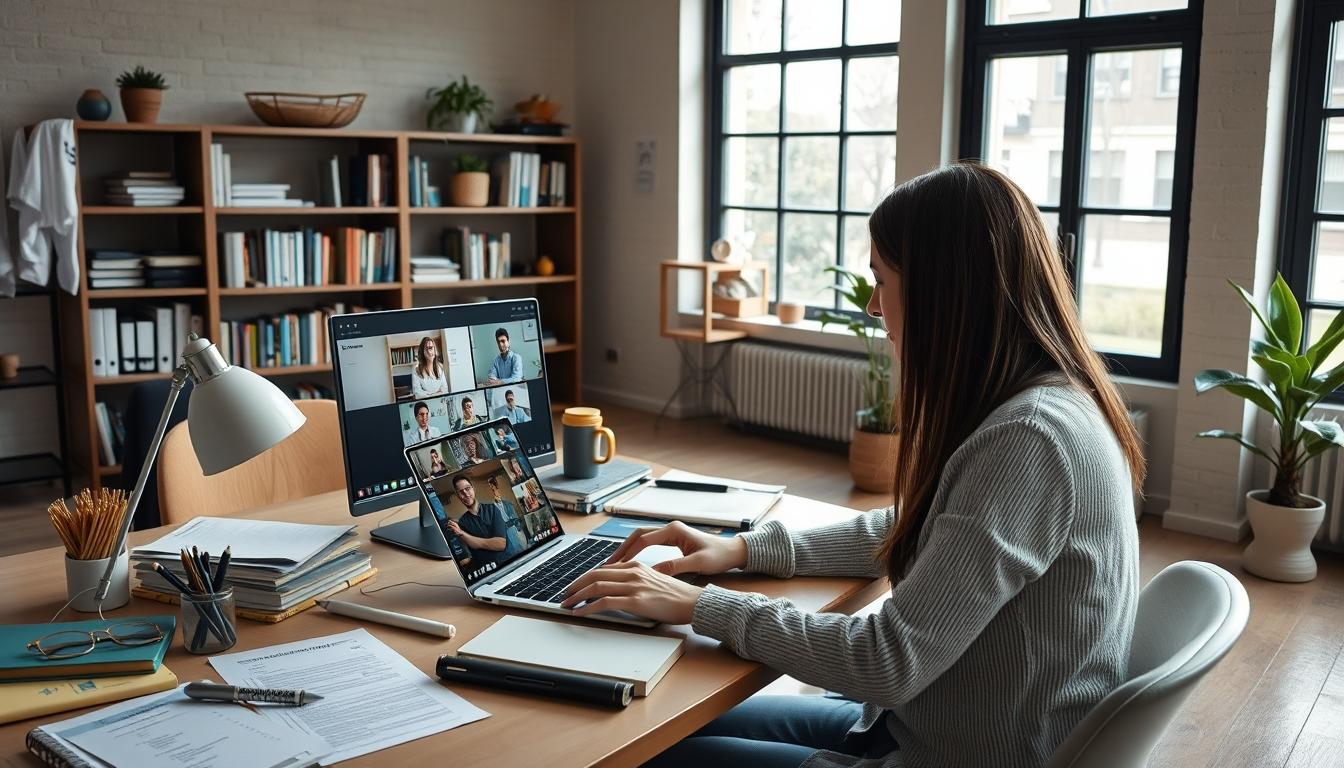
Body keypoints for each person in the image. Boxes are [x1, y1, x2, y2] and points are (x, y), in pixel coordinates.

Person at [560, 163, 1145, 768]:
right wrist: (744, 550)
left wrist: (698, 605)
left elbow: (885, 661)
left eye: (882, 281)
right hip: (928, 725)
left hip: (948, 753)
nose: (873, 307)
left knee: (652, 753)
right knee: (668, 720)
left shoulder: (1029, 441)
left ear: (942, 292)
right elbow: (920, 527)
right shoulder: (1048, 400)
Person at [445, 474, 526, 569]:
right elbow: (469, 555)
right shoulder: (462, 523)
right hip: (488, 572)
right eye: (461, 492)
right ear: (458, 496)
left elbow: (500, 544)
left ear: (473, 488)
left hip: (511, 563)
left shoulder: (493, 509)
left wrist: (464, 535)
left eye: (467, 488)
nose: (466, 494)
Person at [488, 476, 528, 554]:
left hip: (515, 534)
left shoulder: (508, 504)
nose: (494, 492)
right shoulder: (490, 511)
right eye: (491, 489)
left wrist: (517, 525)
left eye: (495, 488)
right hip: (503, 539)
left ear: (498, 488)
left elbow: (518, 523)